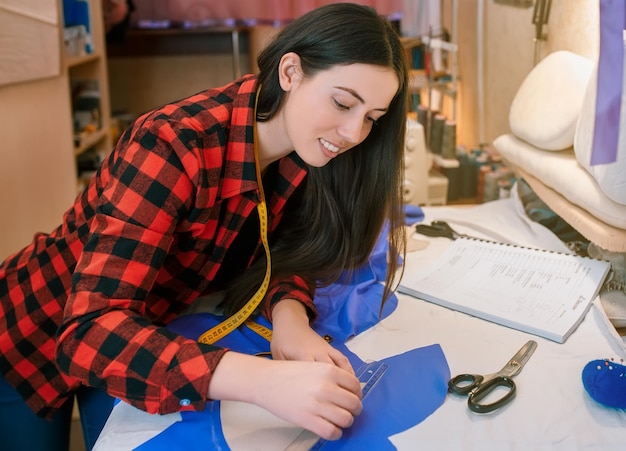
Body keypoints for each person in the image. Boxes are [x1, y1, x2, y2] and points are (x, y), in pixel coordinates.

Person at [0, 3, 408, 450]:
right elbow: (88, 333)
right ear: (290, 72)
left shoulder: (307, 148)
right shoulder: (173, 145)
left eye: (371, 118)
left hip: (142, 328)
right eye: (343, 102)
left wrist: (291, 316)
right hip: (32, 333)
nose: (352, 132)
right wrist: (259, 381)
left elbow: (285, 246)